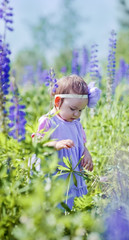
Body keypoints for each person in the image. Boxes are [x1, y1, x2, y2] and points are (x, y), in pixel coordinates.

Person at [33, 74, 101, 209]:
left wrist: (86, 153)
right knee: (54, 202)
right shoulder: (48, 121)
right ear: (57, 102)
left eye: (81, 110)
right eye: (73, 109)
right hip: (54, 173)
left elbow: (81, 143)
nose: (76, 114)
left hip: (72, 172)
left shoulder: (76, 124)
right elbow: (37, 145)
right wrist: (56, 144)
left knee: (71, 200)